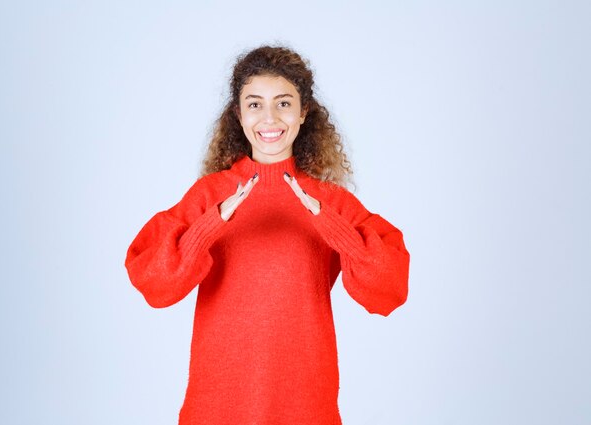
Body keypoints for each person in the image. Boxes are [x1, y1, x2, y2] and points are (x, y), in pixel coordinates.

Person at [124, 44, 410, 425]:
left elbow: (388, 288)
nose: (269, 117)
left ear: (304, 112)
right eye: (255, 104)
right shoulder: (210, 195)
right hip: (219, 401)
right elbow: (154, 282)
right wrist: (211, 223)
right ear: (239, 115)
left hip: (305, 402)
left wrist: (331, 226)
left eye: (284, 103)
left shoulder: (328, 201)